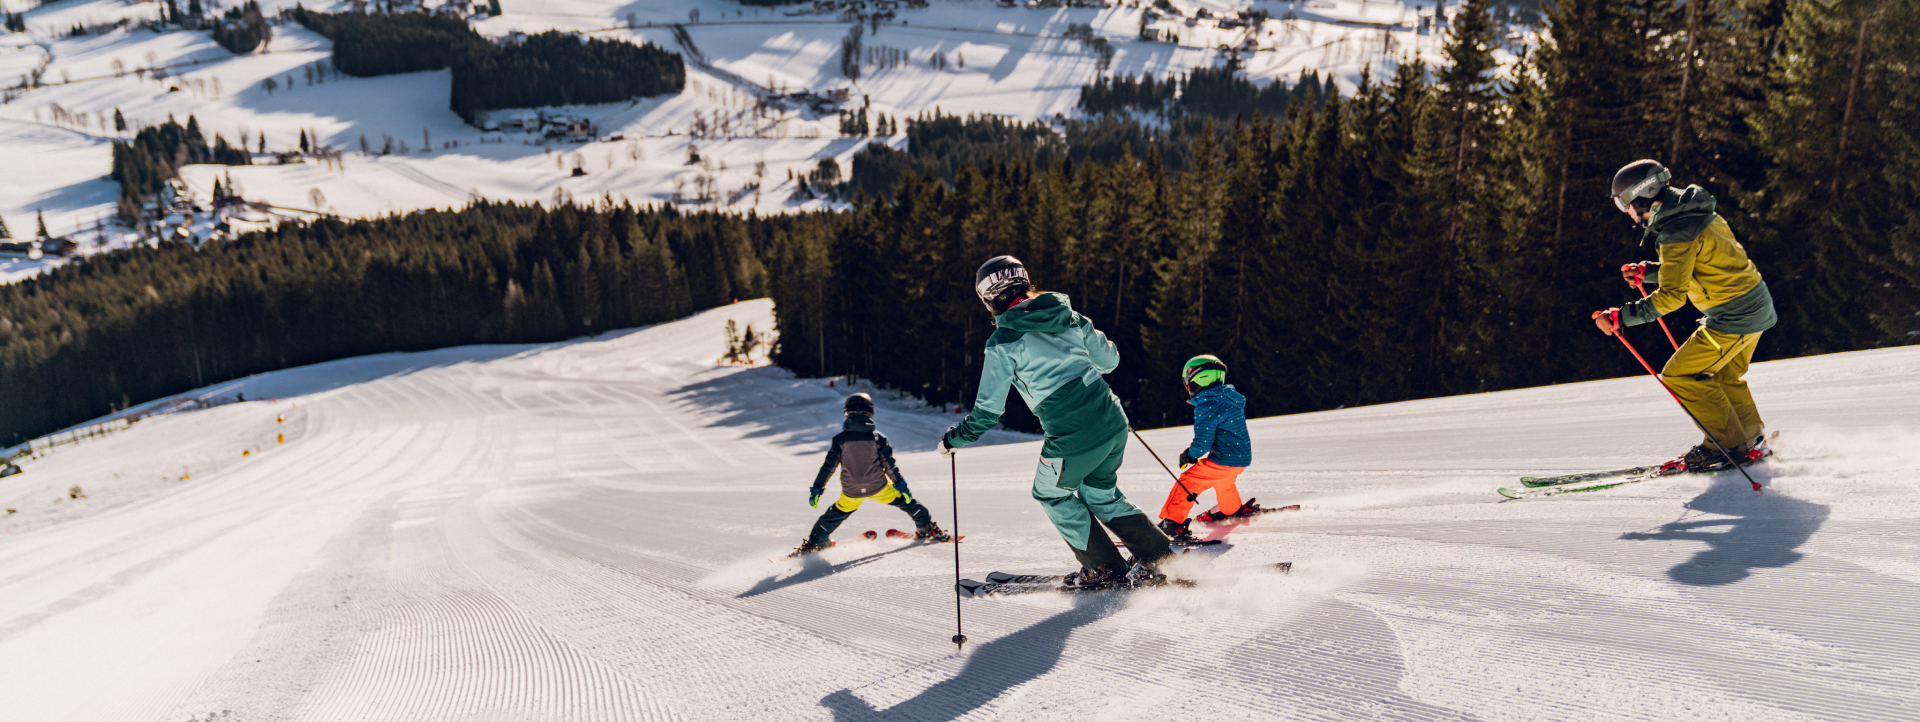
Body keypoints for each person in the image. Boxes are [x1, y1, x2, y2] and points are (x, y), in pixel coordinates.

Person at [939, 256, 1172, 588]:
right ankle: (1158, 557)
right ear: (1024, 280)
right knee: (1099, 493)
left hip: (1072, 432)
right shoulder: (1069, 316)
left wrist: (954, 439)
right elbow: (1109, 360)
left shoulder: (1003, 341)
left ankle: (1104, 567)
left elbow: (988, 411)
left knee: (1050, 494)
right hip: (1112, 419)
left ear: (987, 298)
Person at [1592, 159, 1777, 469]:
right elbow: (1696, 264)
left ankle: (1725, 447)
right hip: (1754, 305)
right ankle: (1750, 441)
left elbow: (1672, 296)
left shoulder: (1677, 231)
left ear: (1641, 195)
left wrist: (1620, 317)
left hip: (1733, 317)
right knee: (1725, 376)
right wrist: (1651, 272)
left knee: (1679, 375)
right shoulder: (1694, 212)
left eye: (1623, 203)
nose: (1626, 212)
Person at [797, 393, 949, 554]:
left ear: (846, 413)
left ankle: (817, 541)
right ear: (871, 412)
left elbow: (828, 467)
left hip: (852, 491)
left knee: (835, 514)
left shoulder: (840, 440)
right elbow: (889, 465)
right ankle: (927, 529)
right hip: (879, 488)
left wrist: (817, 488)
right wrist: (901, 485)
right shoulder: (878, 439)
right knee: (910, 504)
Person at [1156, 355, 1259, 544]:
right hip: (1240, 458)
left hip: (1223, 459)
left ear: (1196, 380)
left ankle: (1171, 523)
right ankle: (1231, 511)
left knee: (1188, 481)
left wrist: (1189, 455)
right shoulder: (1229, 399)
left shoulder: (1208, 405)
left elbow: (1203, 441)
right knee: (1224, 483)